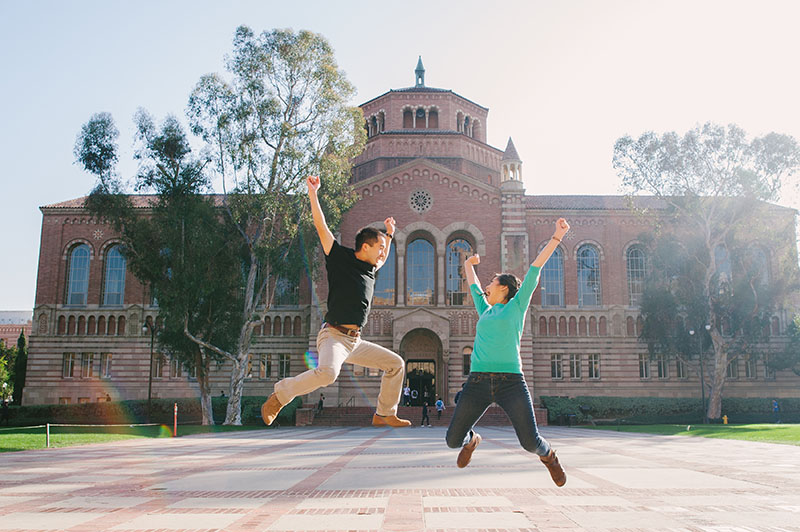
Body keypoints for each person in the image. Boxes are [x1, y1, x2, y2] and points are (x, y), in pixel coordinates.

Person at [261, 175, 411, 428]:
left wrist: (390, 234)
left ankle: (384, 413)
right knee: (328, 374)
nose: (384, 253)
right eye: (381, 248)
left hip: (355, 340)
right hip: (333, 336)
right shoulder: (339, 257)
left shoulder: (371, 269)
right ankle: (279, 396)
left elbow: (382, 259)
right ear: (364, 246)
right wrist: (313, 193)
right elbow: (321, 228)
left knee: (396, 364)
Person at [445, 218, 570, 487]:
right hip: (477, 382)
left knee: (529, 442)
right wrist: (467, 264)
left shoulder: (517, 306)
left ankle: (549, 456)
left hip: (511, 383)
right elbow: (473, 285)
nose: (486, 287)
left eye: (492, 282)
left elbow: (535, 268)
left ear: (503, 287)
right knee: (453, 440)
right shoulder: (485, 309)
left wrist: (557, 237)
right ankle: (472, 440)